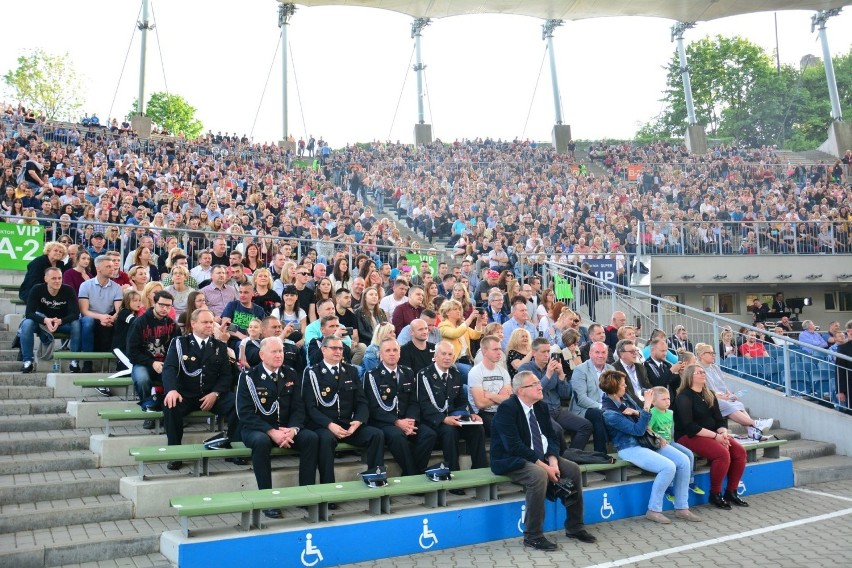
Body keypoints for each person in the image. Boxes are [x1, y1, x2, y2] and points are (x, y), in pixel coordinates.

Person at [490, 370, 596, 550]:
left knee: (572, 469)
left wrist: (553, 461)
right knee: (538, 474)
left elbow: (552, 437)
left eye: (539, 383)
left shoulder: (540, 406)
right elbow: (514, 446)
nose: (541, 386)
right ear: (521, 390)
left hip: (542, 456)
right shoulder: (507, 409)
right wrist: (545, 467)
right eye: (535, 384)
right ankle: (533, 535)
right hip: (512, 459)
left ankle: (575, 527)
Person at [600, 370, 700, 524]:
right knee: (668, 467)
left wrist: (637, 412)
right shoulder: (609, 413)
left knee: (684, 460)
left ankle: (682, 508)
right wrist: (646, 406)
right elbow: (638, 430)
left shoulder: (624, 397)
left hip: (648, 441)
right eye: (622, 384)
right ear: (614, 387)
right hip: (629, 447)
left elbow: (644, 419)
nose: (625, 386)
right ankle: (654, 510)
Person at [236, 336, 319, 518]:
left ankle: (305, 494)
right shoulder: (249, 377)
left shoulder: (290, 373)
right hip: (258, 429)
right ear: (262, 355)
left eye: (280, 351)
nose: (279, 355)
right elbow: (245, 413)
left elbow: (299, 407)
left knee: (311, 438)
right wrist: (270, 431)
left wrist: (293, 429)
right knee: (261, 442)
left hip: (286, 429)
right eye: (274, 351)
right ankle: (267, 499)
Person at [302, 336, 385, 488]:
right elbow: (310, 407)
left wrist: (358, 421)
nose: (338, 351)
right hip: (324, 425)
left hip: (347, 424)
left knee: (376, 434)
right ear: (323, 350)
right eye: (334, 348)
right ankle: (329, 488)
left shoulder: (351, 371)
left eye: (340, 348)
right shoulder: (312, 372)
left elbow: (361, 402)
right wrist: (329, 425)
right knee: (325, 440)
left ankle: (376, 479)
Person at [161, 308, 238, 470]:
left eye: (211, 322)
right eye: (205, 322)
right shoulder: (180, 343)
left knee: (237, 403)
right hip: (186, 395)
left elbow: (226, 375)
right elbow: (169, 368)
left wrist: (216, 394)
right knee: (170, 404)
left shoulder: (219, 346)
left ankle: (235, 448)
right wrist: (171, 390)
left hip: (211, 394)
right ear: (193, 324)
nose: (210, 325)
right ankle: (174, 453)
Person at [674, 365, 748, 510]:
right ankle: (715, 494)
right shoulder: (683, 397)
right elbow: (690, 427)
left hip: (712, 434)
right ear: (690, 376)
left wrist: (723, 433)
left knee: (739, 452)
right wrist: (716, 436)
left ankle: (731, 492)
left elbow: (719, 419)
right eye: (699, 372)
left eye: (703, 372)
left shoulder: (709, 394)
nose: (703, 374)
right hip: (689, 436)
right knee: (722, 454)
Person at [363, 337, 436, 476]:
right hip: (385, 422)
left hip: (406, 419)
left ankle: (410, 472)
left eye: (395, 350)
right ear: (381, 354)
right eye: (388, 350)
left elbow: (414, 401)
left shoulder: (407, 372)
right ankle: (413, 476)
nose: (392, 353)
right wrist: (397, 422)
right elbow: (373, 408)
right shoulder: (372, 376)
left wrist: (410, 420)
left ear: (399, 353)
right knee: (397, 436)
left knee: (429, 434)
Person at [416, 341, 488, 480]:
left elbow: (461, 399)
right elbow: (424, 405)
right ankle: (454, 475)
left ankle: (480, 471)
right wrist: (444, 419)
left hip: (454, 418)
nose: (447, 357)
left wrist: (471, 414)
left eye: (450, 354)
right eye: (443, 354)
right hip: (434, 420)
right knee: (450, 432)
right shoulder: (424, 375)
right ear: (435, 356)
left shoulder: (455, 374)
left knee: (478, 429)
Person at [695, 343, 773, 440]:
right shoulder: (697, 369)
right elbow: (704, 390)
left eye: (713, 353)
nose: (713, 355)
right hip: (709, 398)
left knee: (738, 403)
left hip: (722, 397)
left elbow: (723, 385)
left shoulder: (714, 367)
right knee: (727, 405)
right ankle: (755, 424)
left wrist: (730, 394)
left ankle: (752, 432)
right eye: (710, 353)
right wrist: (722, 397)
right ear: (702, 355)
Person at [127, 290, 180, 424]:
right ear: (154, 303)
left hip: (166, 363)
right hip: (143, 363)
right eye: (162, 305)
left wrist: (167, 364)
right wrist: (152, 363)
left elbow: (177, 350)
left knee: (177, 379)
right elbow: (132, 352)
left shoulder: (173, 325)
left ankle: (169, 413)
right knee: (142, 379)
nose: (165, 309)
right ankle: (149, 412)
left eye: (168, 306)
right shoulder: (139, 323)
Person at [19, 267, 81, 374]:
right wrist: (45, 320)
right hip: (42, 323)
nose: (57, 281)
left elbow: (75, 314)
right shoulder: (37, 289)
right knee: (27, 323)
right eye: (53, 278)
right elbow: (29, 313)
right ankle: (28, 361)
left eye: (59, 278)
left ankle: (74, 361)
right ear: (46, 279)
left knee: (76, 324)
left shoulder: (68, 290)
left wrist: (60, 321)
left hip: (62, 323)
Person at [647, 386, 704, 499]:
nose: (667, 401)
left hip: (670, 442)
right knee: (672, 462)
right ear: (653, 401)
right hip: (659, 445)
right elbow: (648, 428)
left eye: (668, 398)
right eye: (663, 399)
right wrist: (659, 438)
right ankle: (669, 487)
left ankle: (690, 481)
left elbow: (671, 430)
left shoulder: (670, 413)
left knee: (689, 454)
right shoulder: (652, 413)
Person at [78, 254, 124, 372]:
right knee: (88, 322)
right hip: (91, 317)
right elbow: (84, 311)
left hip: (108, 318)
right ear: (98, 268)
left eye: (113, 266)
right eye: (108, 266)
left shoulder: (116, 287)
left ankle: (119, 361)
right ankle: (87, 361)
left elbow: (119, 310)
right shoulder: (85, 285)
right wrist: (101, 317)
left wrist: (111, 318)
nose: (112, 269)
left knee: (121, 321)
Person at [569, 341, 611, 454]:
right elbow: (581, 399)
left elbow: (616, 393)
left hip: (606, 408)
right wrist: (602, 407)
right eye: (597, 352)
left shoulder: (611, 369)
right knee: (598, 414)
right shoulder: (580, 370)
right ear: (590, 353)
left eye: (603, 352)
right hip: (583, 409)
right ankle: (600, 453)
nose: (601, 355)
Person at [467, 335, 512, 435]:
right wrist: (500, 397)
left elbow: (508, 399)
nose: (499, 352)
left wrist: (491, 395)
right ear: (484, 351)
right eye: (495, 349)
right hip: (482, 414)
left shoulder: (503, 372)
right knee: (502, 430)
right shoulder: (475, 372)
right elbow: (480, 404)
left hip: (502, 411)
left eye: (500, 349)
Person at [437, 299, 485, 381]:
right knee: (474, 375)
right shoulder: (442, 326)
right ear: (447, 312)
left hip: (467, 359)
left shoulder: (461, 325)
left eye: (459, 309)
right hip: (454, 361)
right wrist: (470, 318)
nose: (458, 311)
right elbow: (455, 333)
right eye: (455, 309)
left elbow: (475, 335)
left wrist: (479, 322)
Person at [613, 339, 651, 403]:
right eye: (631, 352)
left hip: (645, 399)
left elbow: (647, 386)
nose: (635, 354)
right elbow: (622, 393)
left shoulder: (641, 367)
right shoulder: (614, 369)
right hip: (628, 402)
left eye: (635, 351)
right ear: (622, 354)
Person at [836, 320, 852, 408]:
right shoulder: (842, 348)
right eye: (849, 331)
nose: (850, 333)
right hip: (850, 384)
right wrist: (840, 390)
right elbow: (839, 370)